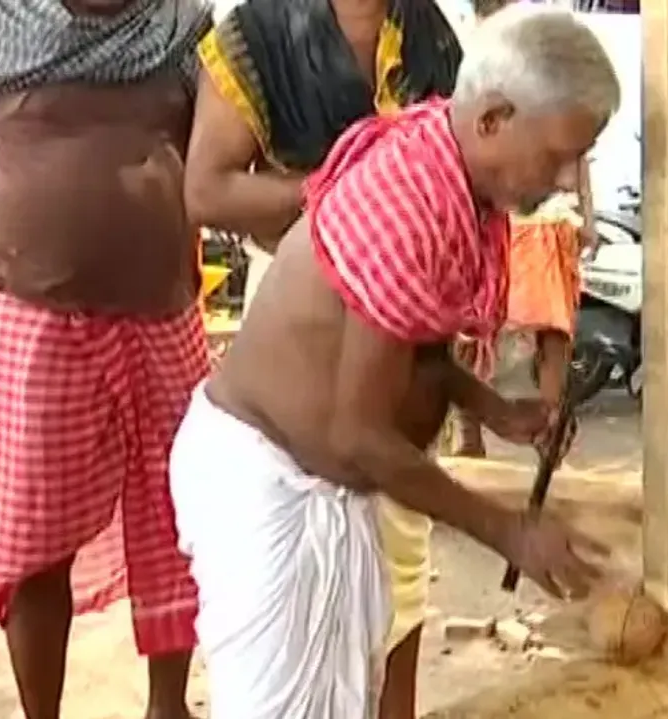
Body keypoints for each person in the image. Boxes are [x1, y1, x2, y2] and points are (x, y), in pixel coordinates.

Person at [168, 6, 621, 716]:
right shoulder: (411, 198)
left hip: (318, 483)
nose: (568, 180)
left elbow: (416, 339)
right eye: (559, 154)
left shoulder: (454, 174)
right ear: (494, 120)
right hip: (266, 483)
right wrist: (505, 528)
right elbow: (358, 434)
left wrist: (492, 407)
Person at [181, 0, 462, 713]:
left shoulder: (429, 34)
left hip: (405, 339)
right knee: (290, 588)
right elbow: (206, 188)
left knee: (398, 562)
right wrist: (345, 198)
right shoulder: (254, 36)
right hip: (297, 345)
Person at [0, 1, 212, 717]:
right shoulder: (0, 21)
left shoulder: (182, 25)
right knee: (34, 541)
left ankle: (168, 707)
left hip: (163, 312)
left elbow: (217, 148)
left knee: (179, 521)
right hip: (35, 317)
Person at [451, 0, 599, 458]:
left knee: (550, 330)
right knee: (470, 326)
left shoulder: (542, 42)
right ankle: (469, 432)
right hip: (501, 215)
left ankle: (546, 428)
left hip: (542, 220)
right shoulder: (463, 47)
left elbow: (574, 146)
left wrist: (585, 212)